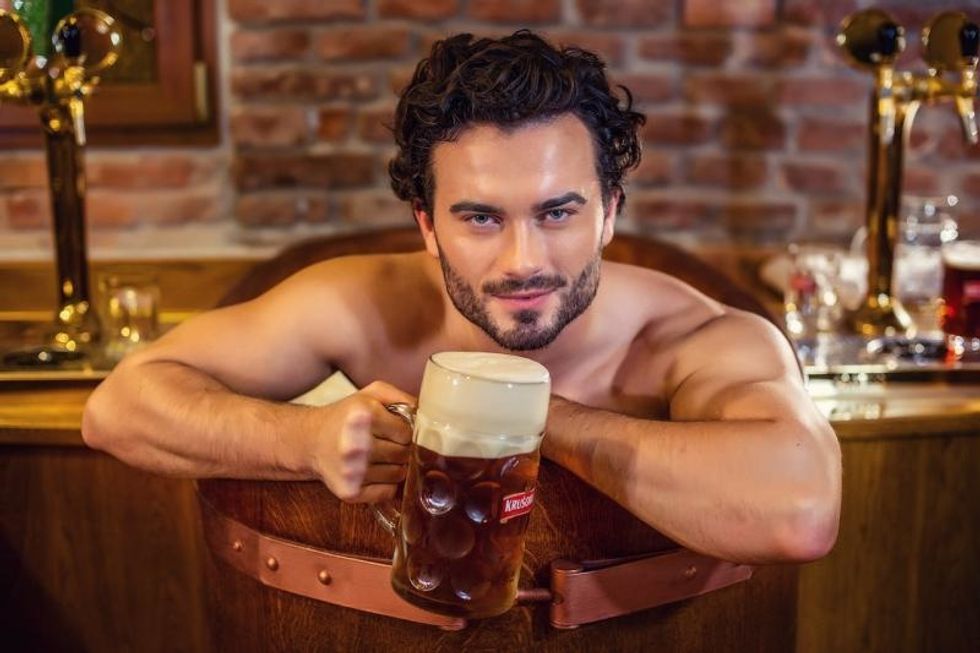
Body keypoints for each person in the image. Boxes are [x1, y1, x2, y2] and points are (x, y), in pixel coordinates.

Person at [82, 31, 841, 564]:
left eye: (558, 211)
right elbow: (119, 407)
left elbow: (801, 511)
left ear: (610, 210)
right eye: (480, 216)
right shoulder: (360, 304)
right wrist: (302, 442)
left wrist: (529, 415)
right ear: (428, 225)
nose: (523, 260)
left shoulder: (693, 338)